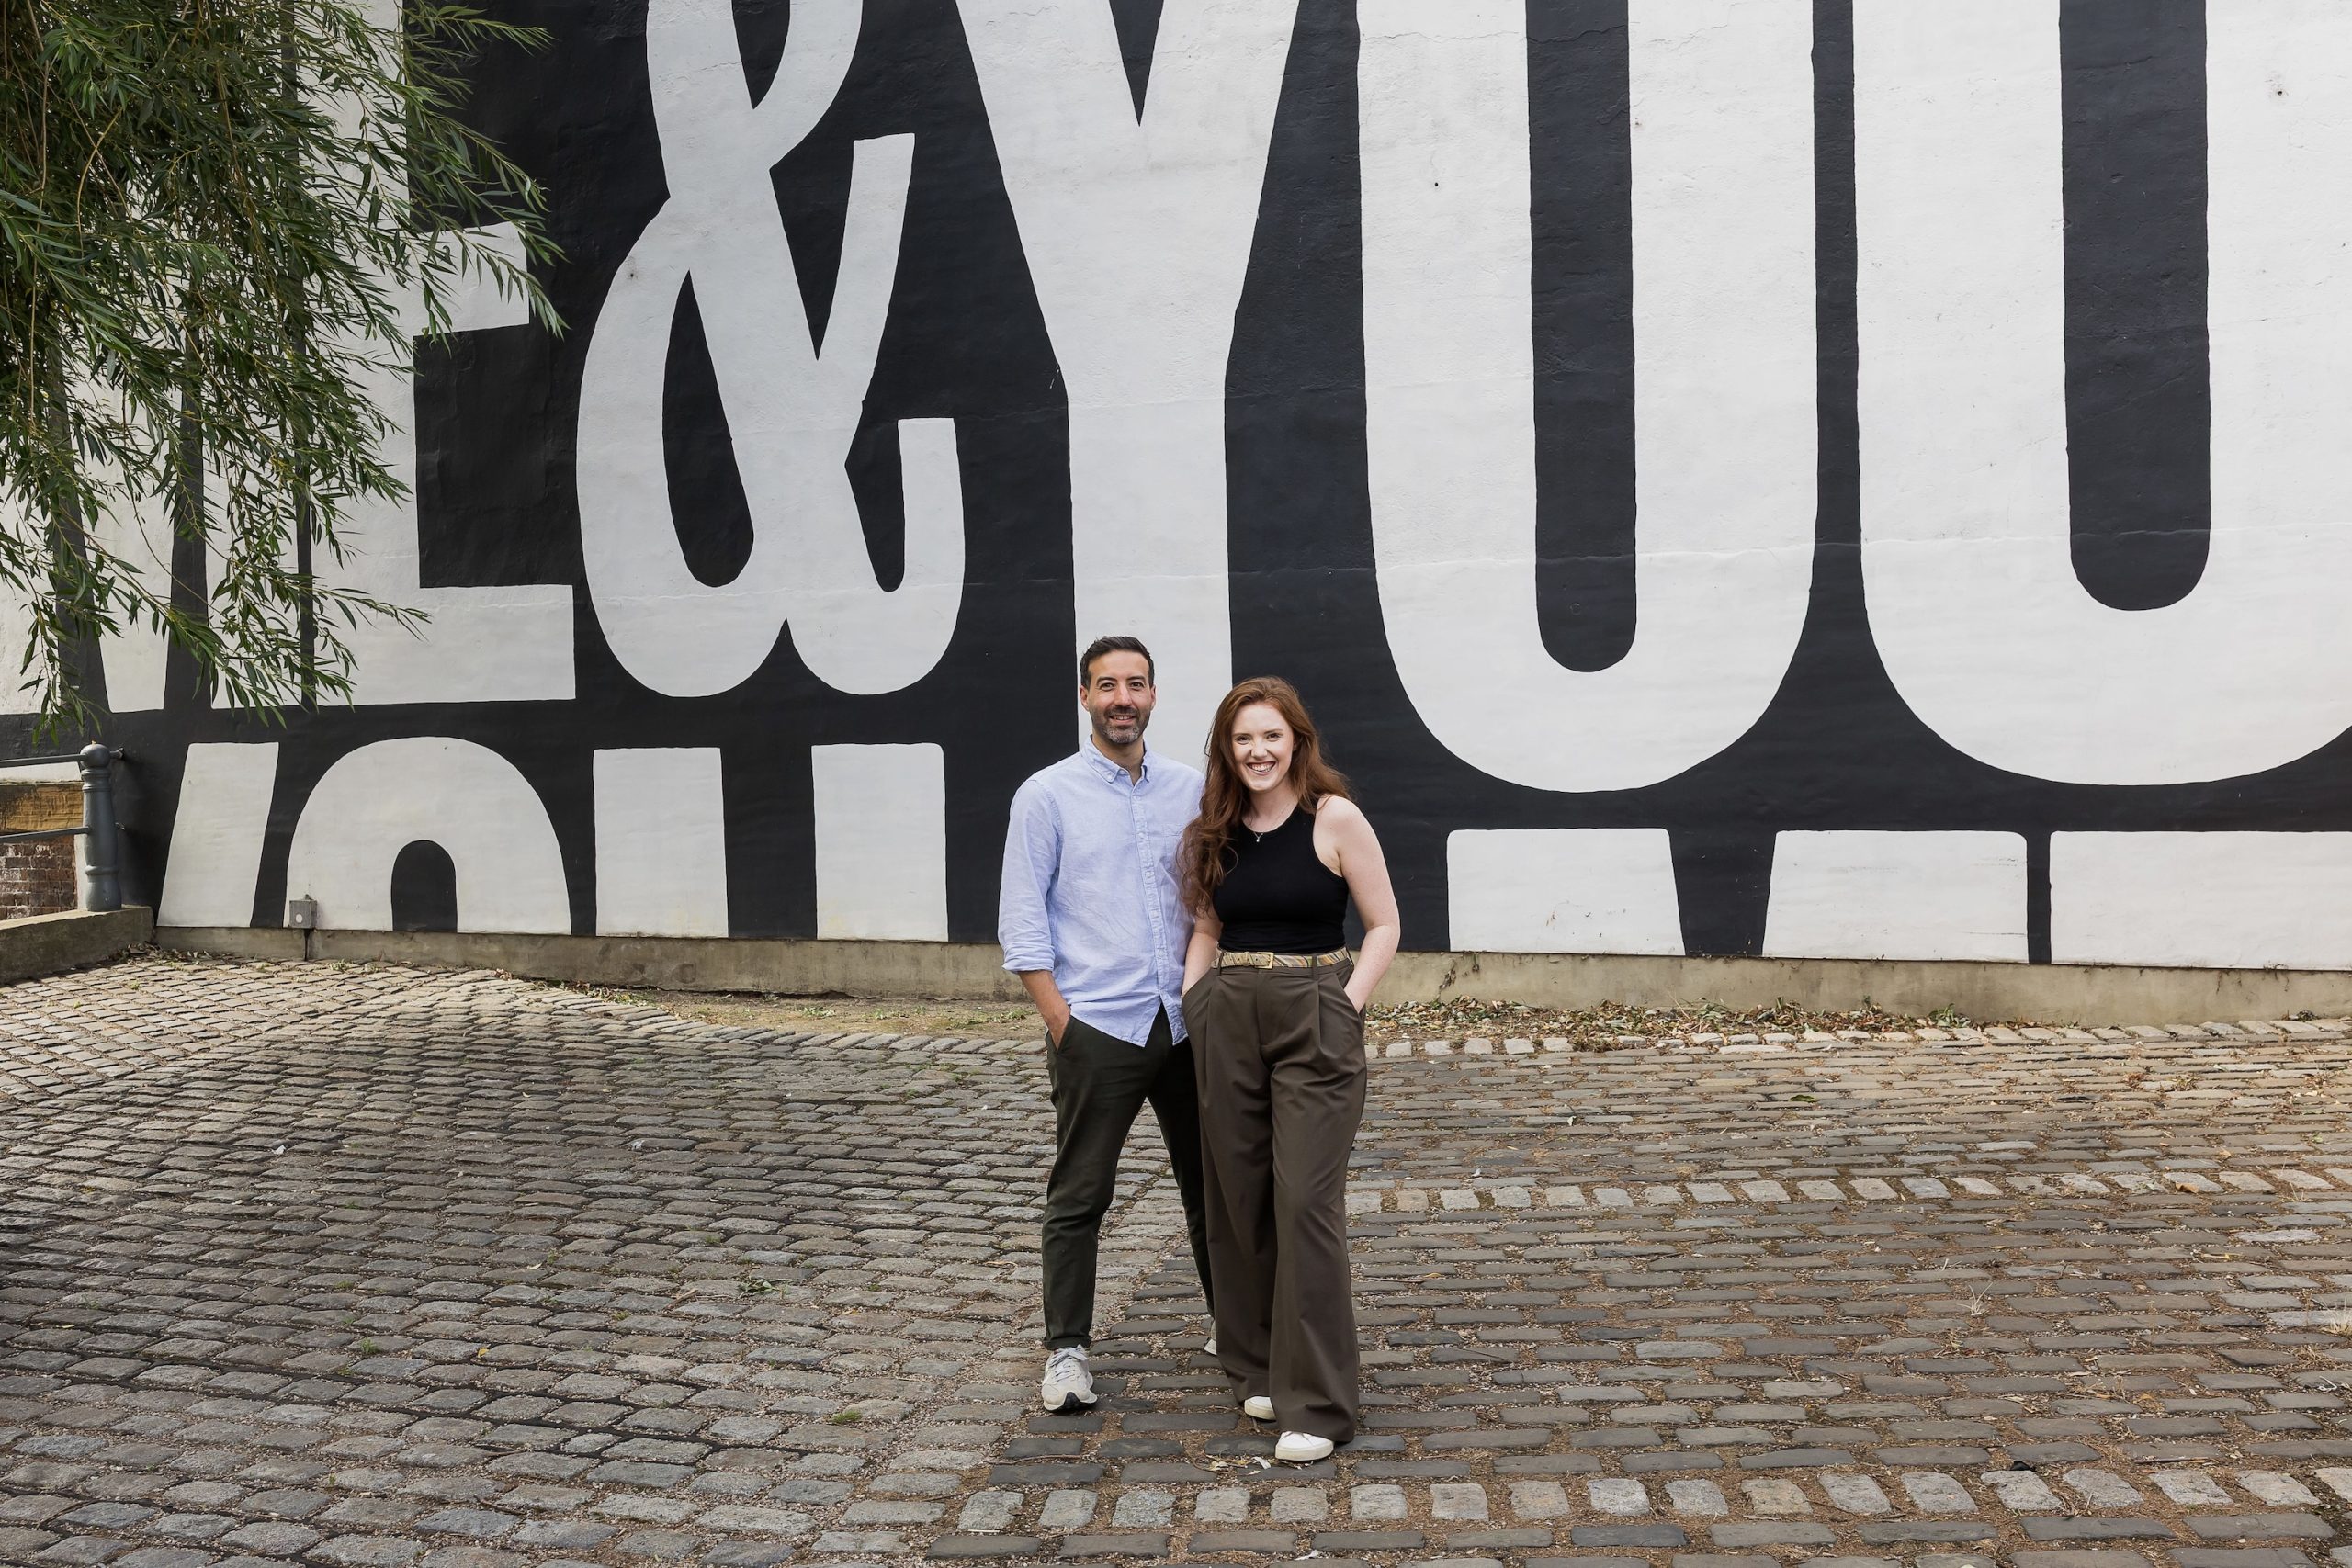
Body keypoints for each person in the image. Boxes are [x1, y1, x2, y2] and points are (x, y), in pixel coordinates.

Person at [1179, 676, 1399, 1463]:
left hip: (1316, 1002)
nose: (1258, 751)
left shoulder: (1333, 817)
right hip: (1229, 1008)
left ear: (1297, 741)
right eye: (1242, 739)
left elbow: (1384, 922)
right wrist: (1195, 999)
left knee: (1303, 1199)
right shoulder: (1218, 827)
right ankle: (1257, 1362)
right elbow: (1206, 925)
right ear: (1226, 750)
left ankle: (1320, 1403)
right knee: (1238, 1194)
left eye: (1271, 735)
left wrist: (1349, 1002)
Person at [999, 635, 1216, 1414]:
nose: (1122, 697)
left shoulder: (1193, 789)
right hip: (1099, 1025)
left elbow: (1208, 903)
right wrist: (1061, 1020)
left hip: (1187, 1023)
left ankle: (1234, 1325)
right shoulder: (1047, 795)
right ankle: (1066, 1353)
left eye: (1136, 683)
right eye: (1106, 685)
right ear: (1085, 697)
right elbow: (1022, 920)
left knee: (1212, 1184)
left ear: (1154, 694)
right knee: (1080, 1192)